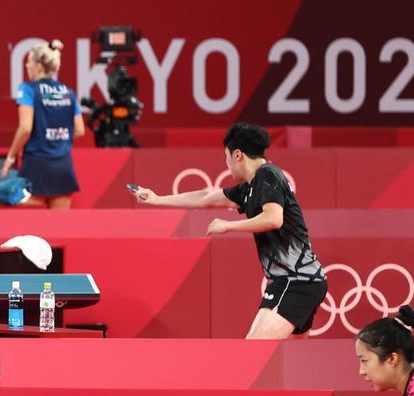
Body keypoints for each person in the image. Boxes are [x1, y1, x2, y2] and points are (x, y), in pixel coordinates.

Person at [134, 123, 326, 339]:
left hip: (295, 280)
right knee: (291, 357)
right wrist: (157, 199)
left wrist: (227, 225)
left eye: (225, 156)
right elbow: (206, 197)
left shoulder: (268, 175)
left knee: (252, 353)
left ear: (237, 154)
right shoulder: (251, 187)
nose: (226, 163)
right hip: (306, 280)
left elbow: (274, 218)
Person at [1, 40, 86, 209]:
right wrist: (58, 141)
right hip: (63, 165)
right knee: (60, 230)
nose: (27, 66)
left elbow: (25, 128)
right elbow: (80, 130)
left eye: (29, 62)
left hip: (36, 165)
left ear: (38, 65)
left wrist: (10, 156)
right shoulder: (68, 92)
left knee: (29, 230)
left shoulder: (28, 89)